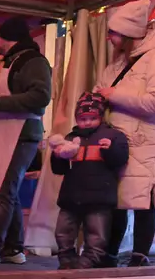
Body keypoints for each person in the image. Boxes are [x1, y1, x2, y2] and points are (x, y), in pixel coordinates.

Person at [96, 0, 155, 267]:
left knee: (143, 198)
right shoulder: (119, 61)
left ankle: (139, 256)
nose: (109, 38)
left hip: (145, 140)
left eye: (113, 32)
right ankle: (109, 254)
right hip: (116, 140)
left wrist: (113, 95)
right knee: (116, 199)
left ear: (128, 32)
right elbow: (102, 89)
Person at [0, 17, 52, 267]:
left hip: (23, 133)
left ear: (8, 38)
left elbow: (40, 97)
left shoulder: (34, 61)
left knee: (4, 190)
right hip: (6, 132)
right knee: (8, 191)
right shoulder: (12, 62)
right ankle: (14, 248)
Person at [50, 92, 130, 269]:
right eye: (82, 118)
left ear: (101, 117)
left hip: (100, 198)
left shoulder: (114, 136)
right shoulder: (70, 138)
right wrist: (57, 156)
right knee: (63, 232)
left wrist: (110, 150)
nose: (87, 122)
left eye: (92, 118)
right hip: (71, 196)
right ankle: (66, 260)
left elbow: (120, 160)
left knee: (97, 234)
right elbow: (59, 169)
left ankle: (89, 261)